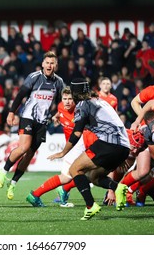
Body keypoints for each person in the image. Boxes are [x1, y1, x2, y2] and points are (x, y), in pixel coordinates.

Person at [41, 78, 130, 220]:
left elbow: (77, 133)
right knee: (93, 177)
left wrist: (63, 152)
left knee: (74, 169)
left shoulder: (83, 105)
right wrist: (121, 154)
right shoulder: (102, 102)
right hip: (123, 146)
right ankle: (116, 187)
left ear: (76, 94)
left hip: (108, 144)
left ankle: (91, 206)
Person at [0, 51, 64, 200]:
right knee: (24, 147)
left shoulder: (58, 82)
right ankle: (3, 171)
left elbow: (61, 102)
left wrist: (59, 114)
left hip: (42, 122)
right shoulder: (34, 77)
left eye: (52, 63)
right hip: (28, 117)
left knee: (30, 154)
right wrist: (11, 112)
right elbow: (20, 95)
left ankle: (13, 183)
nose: (49, 66)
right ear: (43, 64)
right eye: (47, 62)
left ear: (56, 65)